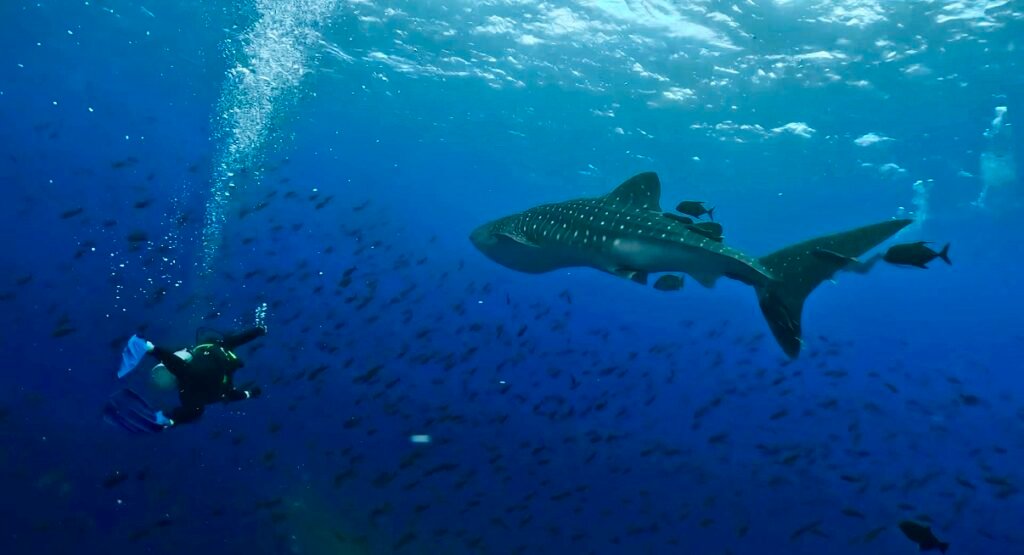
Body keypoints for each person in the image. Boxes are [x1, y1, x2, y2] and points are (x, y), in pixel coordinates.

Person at [106, 326, 266, 432]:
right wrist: (259, 329)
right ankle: (169, 420)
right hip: (210, 390)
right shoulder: (222, 345)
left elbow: (176, 364)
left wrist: (249, 393)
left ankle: (168, 420)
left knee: (189, 386)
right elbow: (243, 337)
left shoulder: (203, 351)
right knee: (195, 407)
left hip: (193, 389)